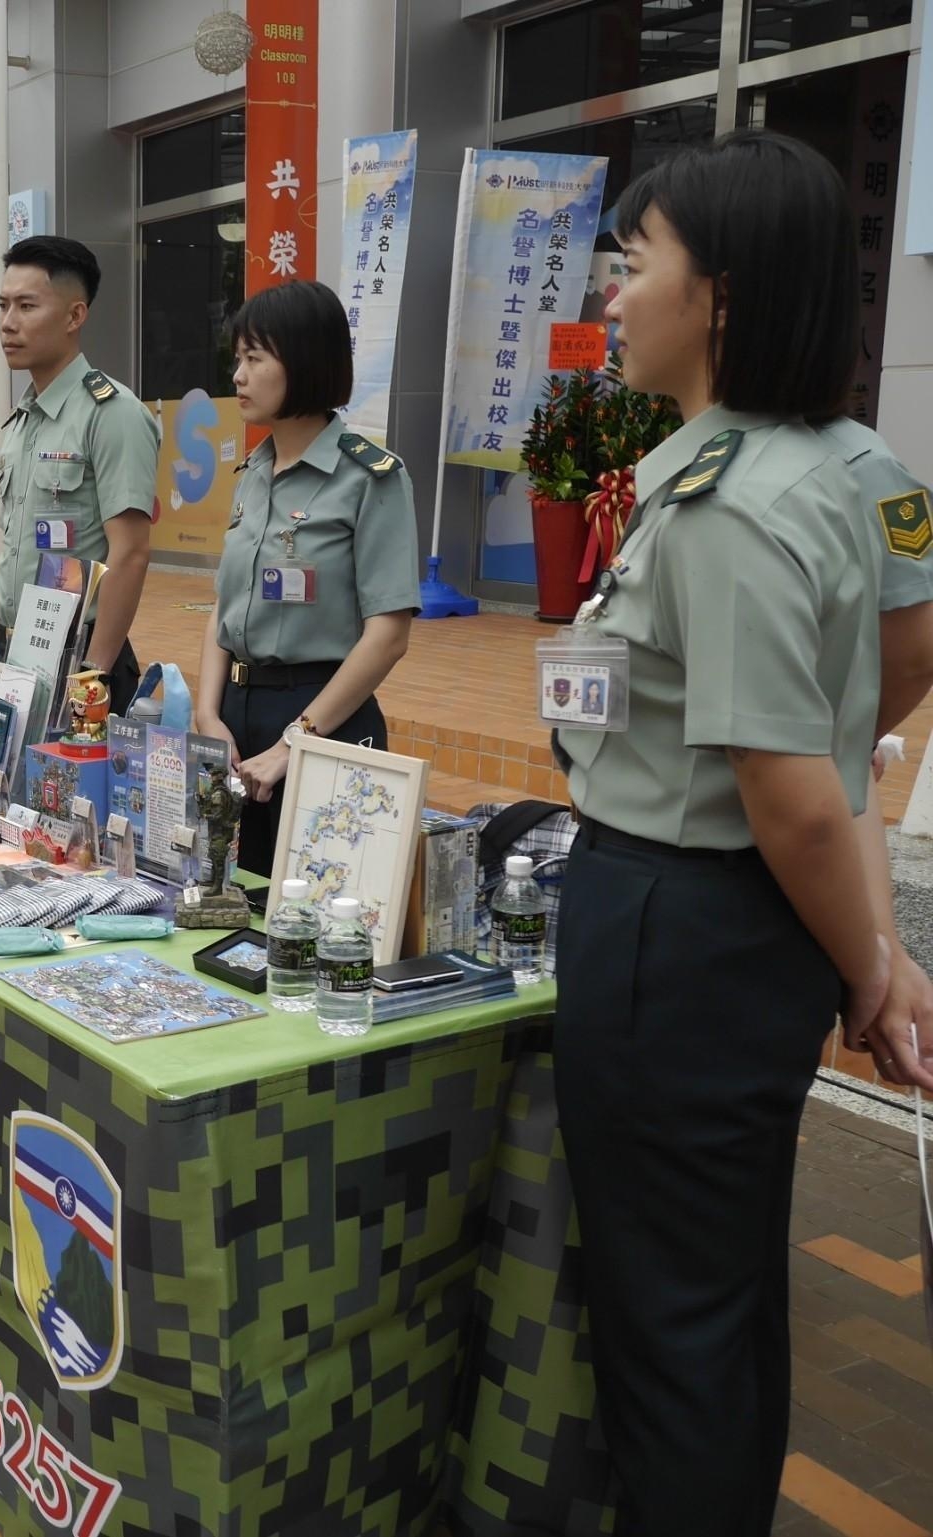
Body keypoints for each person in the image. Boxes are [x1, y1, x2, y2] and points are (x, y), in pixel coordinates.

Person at [550, 131, 886, 1534]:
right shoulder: (793, 465)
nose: (614, 297)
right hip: (720, 929)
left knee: (666, 1323)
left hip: (678, 934)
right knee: (721, 1291)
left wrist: (875, 967)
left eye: (638, 267)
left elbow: (796, 789)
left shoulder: (735, 503)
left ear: (725, 297)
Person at [194, 279, 419, 876]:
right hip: (236, 717)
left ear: (305, 361)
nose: (237, 376)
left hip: (323, 717)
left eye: (254, 358)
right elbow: (223, 604)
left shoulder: (370, 477)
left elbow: (388, 634)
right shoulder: (254, 471)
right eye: (236, 359)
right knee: (231, 902)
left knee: (311, 918)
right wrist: (207, 715)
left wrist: (298, 741)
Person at [0, 236, 159, 715]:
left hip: (76, 660)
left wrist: (91, 676)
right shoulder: (22, 421)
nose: (7, 323)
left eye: (26, 306)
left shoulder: (112, 413)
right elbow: (13, 552)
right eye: (2, 305)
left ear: (74, 315)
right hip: (13, 654)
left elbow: (131, 553)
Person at [822, 415, 933, 1093]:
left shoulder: (868, 467)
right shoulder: (684, 460)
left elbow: (913, 652)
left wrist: (878, 957)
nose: (616, 302)